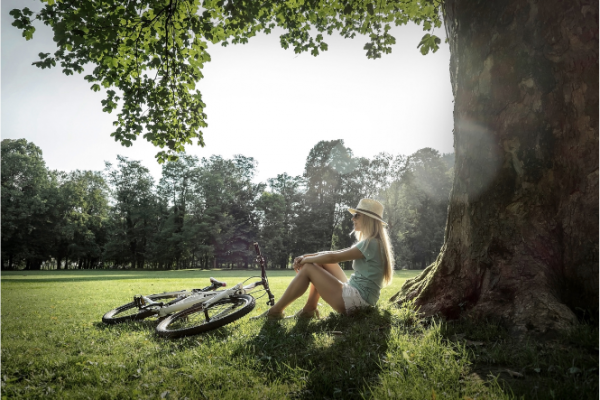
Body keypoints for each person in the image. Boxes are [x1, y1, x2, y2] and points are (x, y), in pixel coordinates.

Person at [254, 198, 394, 320]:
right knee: (321, 261)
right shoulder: (373, 243)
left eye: (357, 216)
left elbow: (334, 257)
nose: (353, 219)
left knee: (309, 267)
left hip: (358, 300)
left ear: (368, 219)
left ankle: (275, 311)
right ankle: (309, 310)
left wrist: (305, 261)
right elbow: (332, 253)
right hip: (361, 297)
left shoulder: (371, 244)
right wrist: (307, 256)